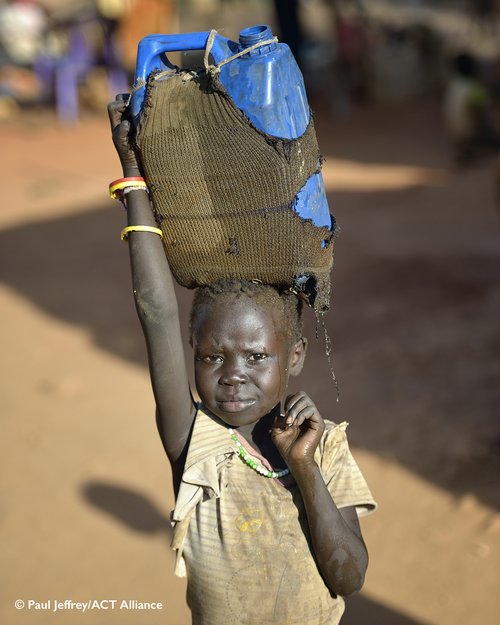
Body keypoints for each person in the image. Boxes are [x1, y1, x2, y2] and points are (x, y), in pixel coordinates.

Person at [108, 94, 377, 625]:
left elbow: (349, 576)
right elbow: (157, 311)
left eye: (257, 356)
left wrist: (303, 466)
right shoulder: (194, 442)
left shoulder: (325, 449)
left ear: (294, 357)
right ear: (193, 354)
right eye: (212, 356)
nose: (233, 373)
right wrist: (133, 174)